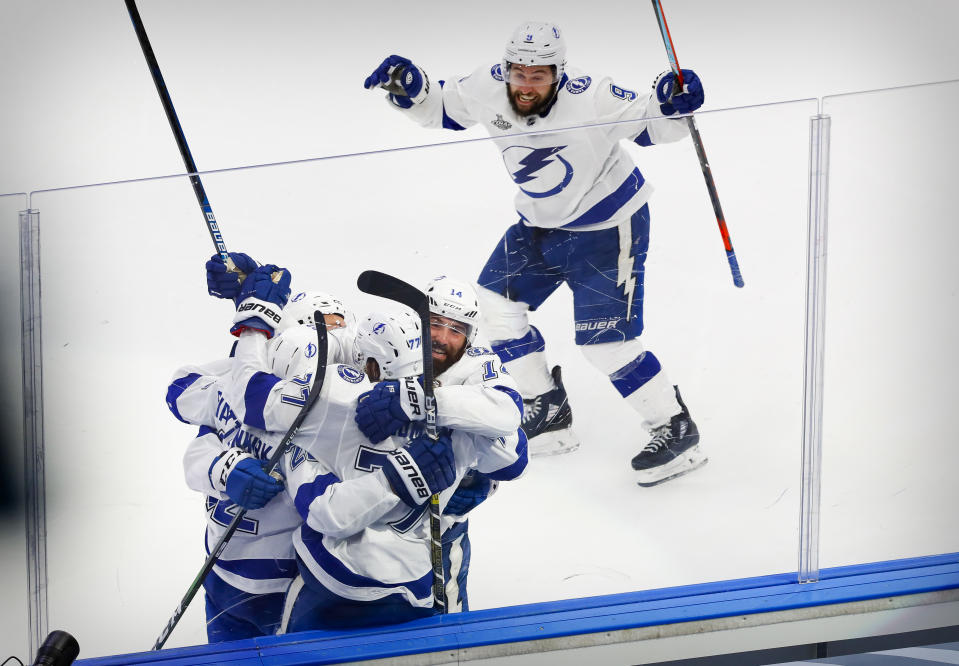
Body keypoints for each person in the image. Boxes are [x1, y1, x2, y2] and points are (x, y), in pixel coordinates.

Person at [363, 21, 708, 486]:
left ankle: (674, 426)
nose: (525, 85)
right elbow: (442, 107)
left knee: (606, 344)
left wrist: (673, 104)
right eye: (518, 73)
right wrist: (411, 89)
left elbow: (653, 123)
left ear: (559, 74)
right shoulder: (490, 83)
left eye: (538, 75)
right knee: (496, 306)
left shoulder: (594, 95)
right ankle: (546, 408)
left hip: (608, 225)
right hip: (541, 223)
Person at [354, 275, 528, 611]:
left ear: (470, 337)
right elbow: (333, 342)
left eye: (456, 330)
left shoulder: (477, 363)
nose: (442, 337)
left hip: (440, 527)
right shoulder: (396, 336)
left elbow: (508, 415)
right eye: (435, 323)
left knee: (444, 624)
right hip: (367, 518)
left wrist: (419, 399)